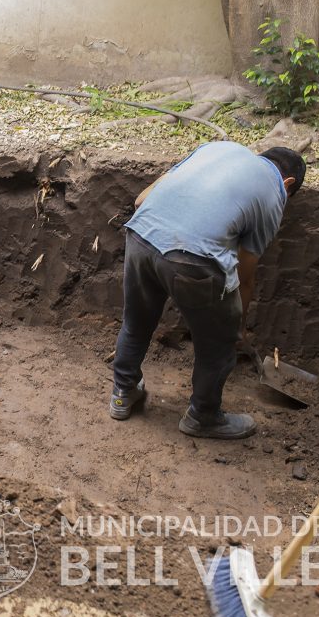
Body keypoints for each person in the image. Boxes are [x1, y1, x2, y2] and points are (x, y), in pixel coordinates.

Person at [108, 141, 305, 439]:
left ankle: (122, 393)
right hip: (191, 260)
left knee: (136, 323)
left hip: (140, 237)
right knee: (217, 344)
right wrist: (237, 329)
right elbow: (244, 273)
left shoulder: (216, 149)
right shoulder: (275, 192)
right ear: (288, 183)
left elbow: (140, 200)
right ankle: (203, 416)